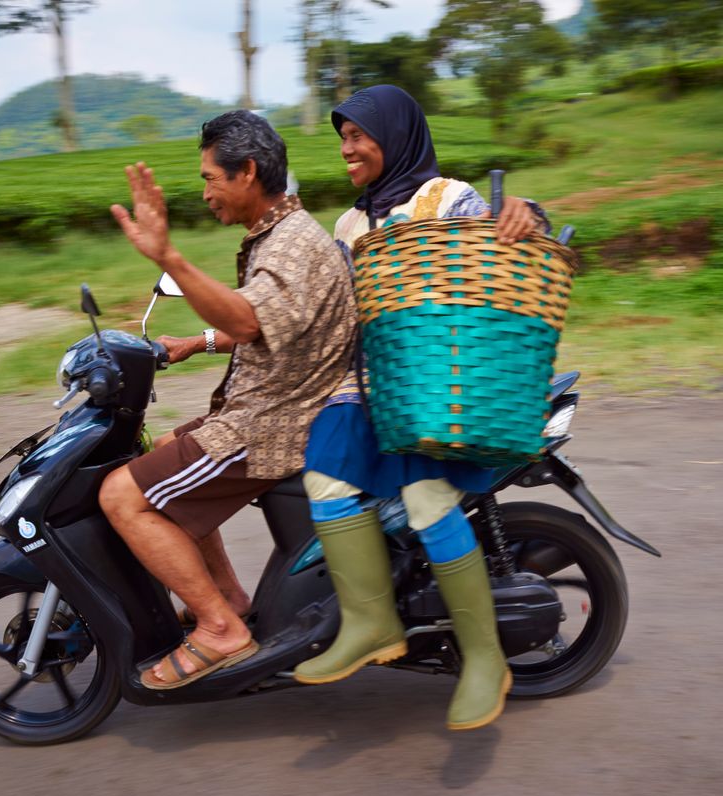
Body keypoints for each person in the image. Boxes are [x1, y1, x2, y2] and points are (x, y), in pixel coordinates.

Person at [292, 85, 547, 730]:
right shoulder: (350, 224)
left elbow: (506, 244)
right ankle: (371, 620)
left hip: (437, 387)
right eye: (341, 138)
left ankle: (486, 658)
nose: (347, 149)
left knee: (429, 499)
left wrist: (527, 214)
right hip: (371, 387)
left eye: (359, 136)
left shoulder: (446, 198)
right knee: (322, 471)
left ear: (396, 135)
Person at [100, 110, 356, 690]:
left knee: (121, 495)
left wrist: (170, 258)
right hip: (267, 408)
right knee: (165, 445)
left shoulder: (292, 244)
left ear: (246, 173)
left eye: (210, 177)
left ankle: (219, 629)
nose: (206, 191)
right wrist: (195, 342)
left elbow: (244, 316)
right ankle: (231, 598)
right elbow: (261, 323)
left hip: (275, 427)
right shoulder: (277, 234)